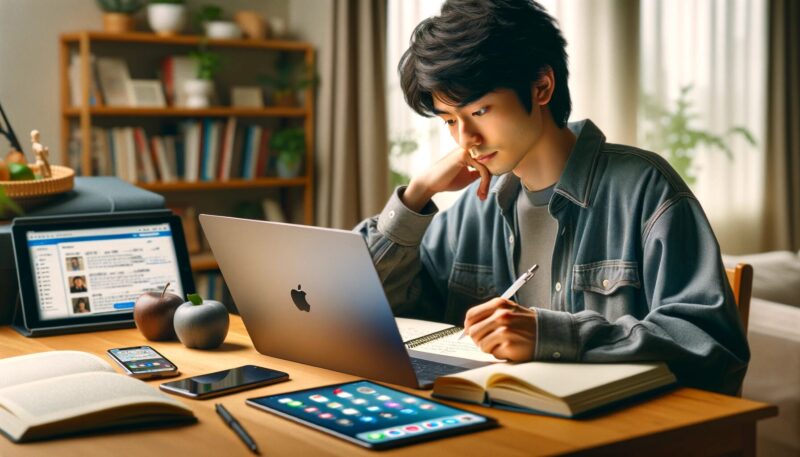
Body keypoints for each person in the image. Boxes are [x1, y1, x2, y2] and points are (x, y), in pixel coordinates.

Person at [356, 0, 749, 395]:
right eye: (449, 121)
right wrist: (416, 194)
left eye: (480, 111)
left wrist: (555, 335)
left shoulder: (645, 189)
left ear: (541, 86)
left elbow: (713, 347)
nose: (466, 140)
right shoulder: (477, 205)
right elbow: (368, 308)